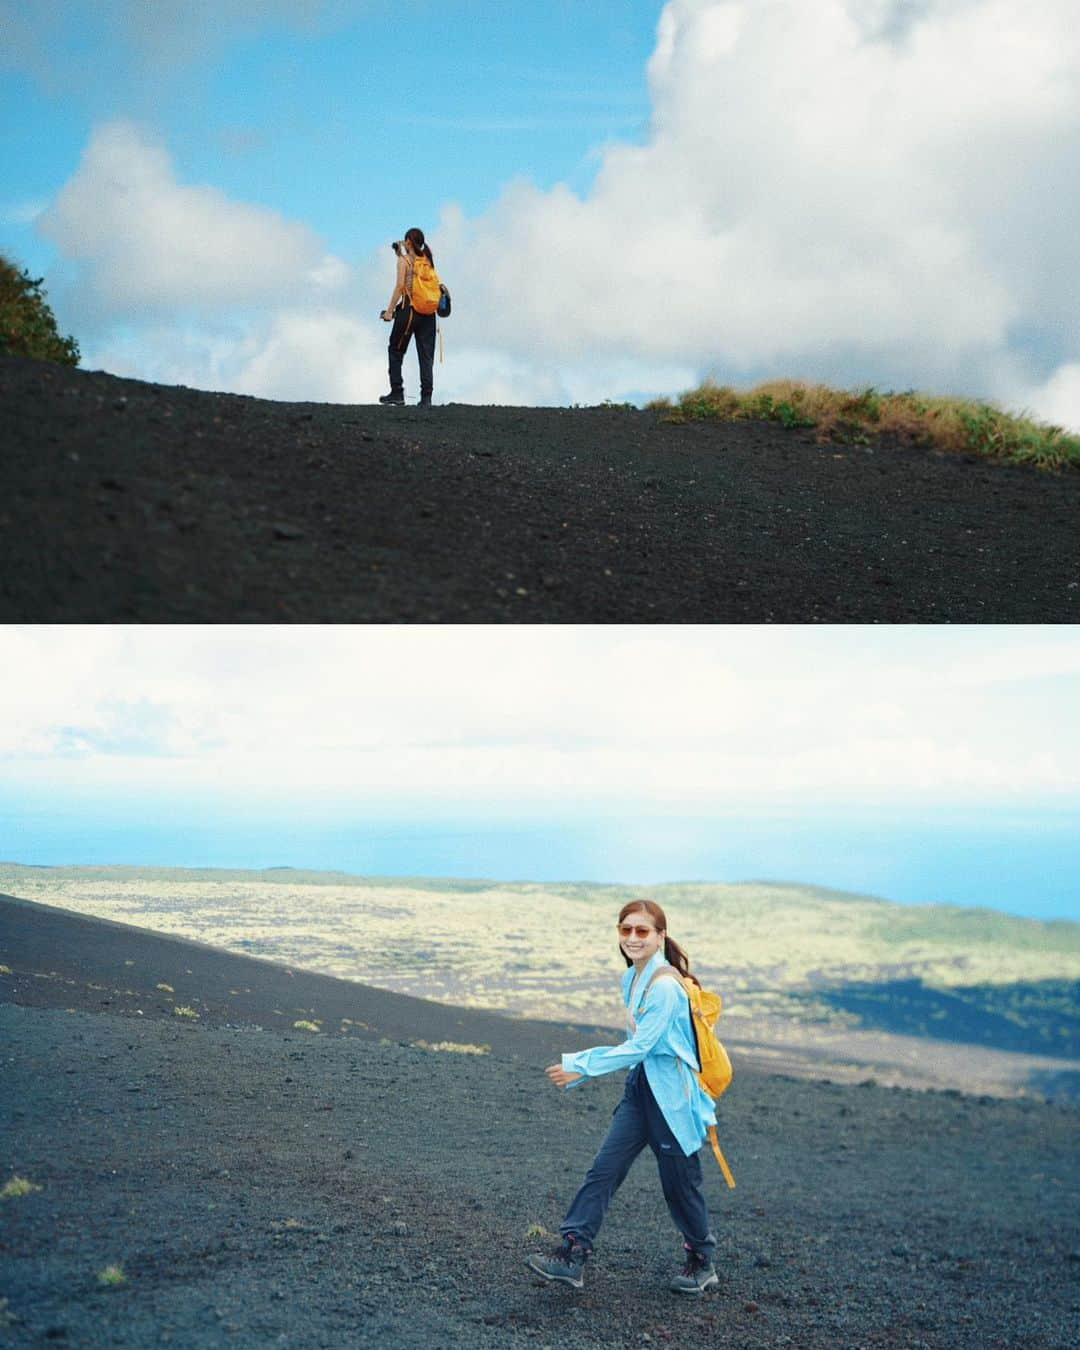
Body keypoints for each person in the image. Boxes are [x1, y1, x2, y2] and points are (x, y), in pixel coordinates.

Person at [526, 900, 721, 1296]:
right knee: (604, 1170)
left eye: (642, 931)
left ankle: (702, 1260)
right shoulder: (631, 979)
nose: (632, 937)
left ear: (660, 937)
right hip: (641, 1090)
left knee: (679, 1186)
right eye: (626, 929)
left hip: (672, 1100)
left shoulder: (666, 988)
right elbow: (637, 1047)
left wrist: (582, 1065)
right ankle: (572, 1254)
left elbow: (641, 1046)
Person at [379, 227, 437, 407]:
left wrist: (389, 312)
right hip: (429, 313)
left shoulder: (405, 261)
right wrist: (400, 252)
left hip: (409, 310)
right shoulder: (427, 260)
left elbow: (400, 286)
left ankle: (397, 392)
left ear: (409, 242)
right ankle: (426, 398)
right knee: (426, 356)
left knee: (395, 350)